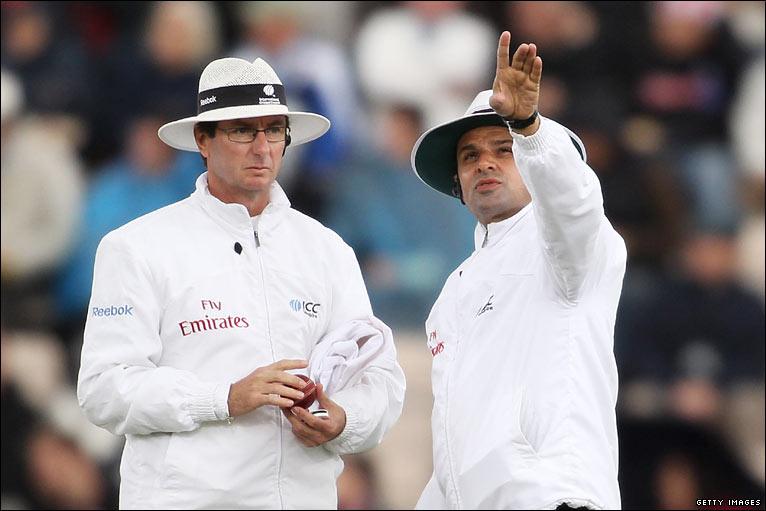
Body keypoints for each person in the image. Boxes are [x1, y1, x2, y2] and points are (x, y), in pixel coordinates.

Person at [77, 56, 406, 509]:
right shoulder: (137, 247)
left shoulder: (328, 251)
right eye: (242, 131)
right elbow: (103, 389)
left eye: (274, 131)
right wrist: (225, 398)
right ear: (202, 139)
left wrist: (344, 419)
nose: (262, 148)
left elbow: (380, 377)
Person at [411, 32, 627, 509]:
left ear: (532, 157)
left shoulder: (573, 247)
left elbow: (572, 204)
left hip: (554, 498)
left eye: (502, 148)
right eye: (469, 156)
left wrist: (528, 127)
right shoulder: (452, 293)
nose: (484, 162)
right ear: (458, 185)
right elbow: (452, 440)